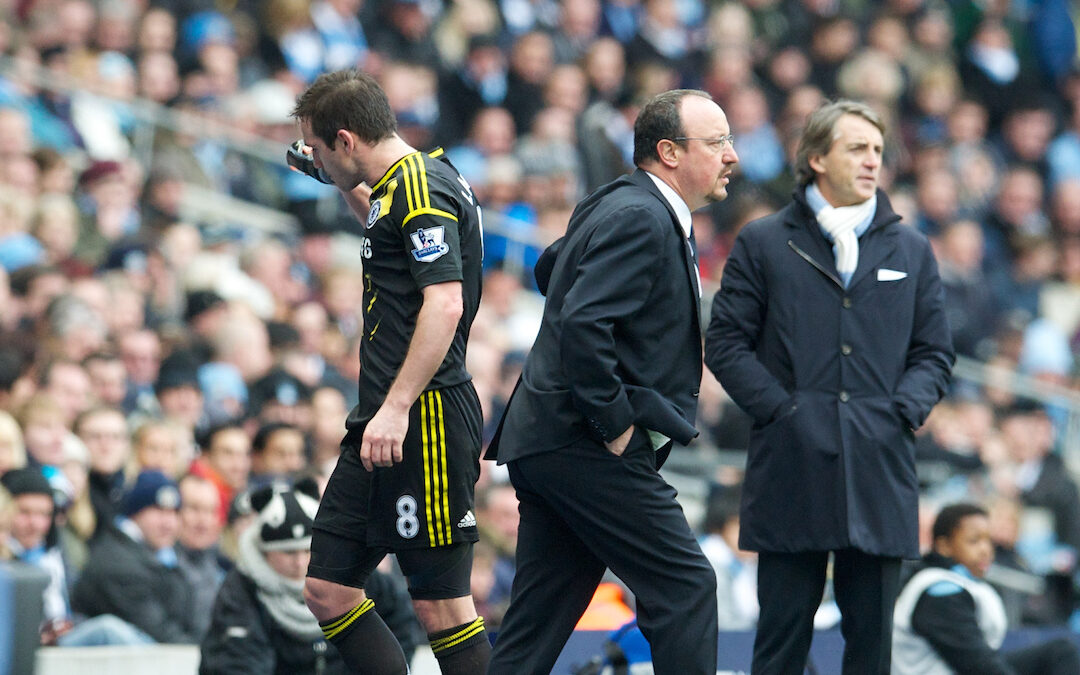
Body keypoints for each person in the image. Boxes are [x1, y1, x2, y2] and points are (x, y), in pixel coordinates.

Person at [486, 88, 738, 675]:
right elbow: (583, 321)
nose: (731, 156)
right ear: (670, 152)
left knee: (536, 625)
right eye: (718, 141)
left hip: (549, 440)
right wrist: (615, 424)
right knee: (685, 586)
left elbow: (554, 268)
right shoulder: (642, 214)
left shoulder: (621, 202)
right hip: (584, 442)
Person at [705, 99, 954, 674]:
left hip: (880, 466)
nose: (873, 161)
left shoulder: (911, 249)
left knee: (872, 651)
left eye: (877, 150)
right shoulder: (764, 242)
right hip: (791, 465)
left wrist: (900, 412)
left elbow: (935, 351)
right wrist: (782, 411)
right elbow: (725, 343)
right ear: (816, 158)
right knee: (780, 644)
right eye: (856, 148)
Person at [291, 69, 488, 675]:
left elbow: (445, 303)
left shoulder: (423, 191)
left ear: (347, 139)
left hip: (421, 416)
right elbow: (383, 228)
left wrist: (398, 406)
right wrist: (331, 179)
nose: (318, 158)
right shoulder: (397, 185)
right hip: (380, 418)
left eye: (323, 149)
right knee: (328, 589)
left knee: (442, 608)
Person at [893, 503, 1080, 674]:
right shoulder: (939, 592)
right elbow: (978, 666)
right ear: (944, 546)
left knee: (1059, 652)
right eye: (974, 541)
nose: (986, 550)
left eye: (988, 540)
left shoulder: (958, 581)